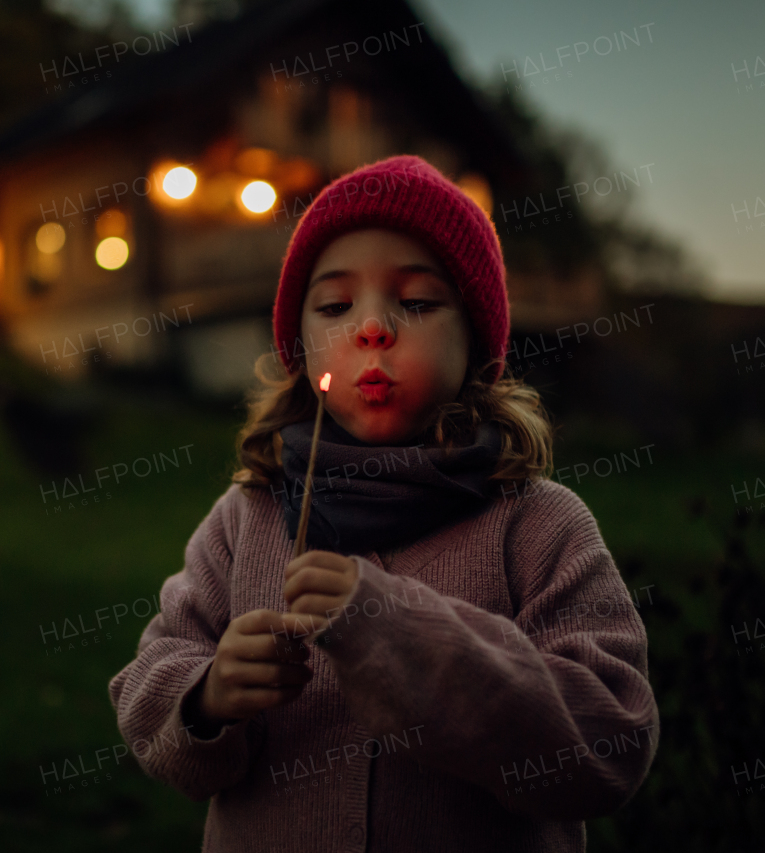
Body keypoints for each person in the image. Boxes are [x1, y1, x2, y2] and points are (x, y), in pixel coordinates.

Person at [108, 154, 658, 852]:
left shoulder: (539, 524)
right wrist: (208, 696)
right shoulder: (247, 518)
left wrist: (399, 630)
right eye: (335, 305)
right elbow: (148, 683)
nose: (372, 329)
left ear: (479, 349)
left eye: (418, 301)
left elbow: (608, 745)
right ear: (302, 352)